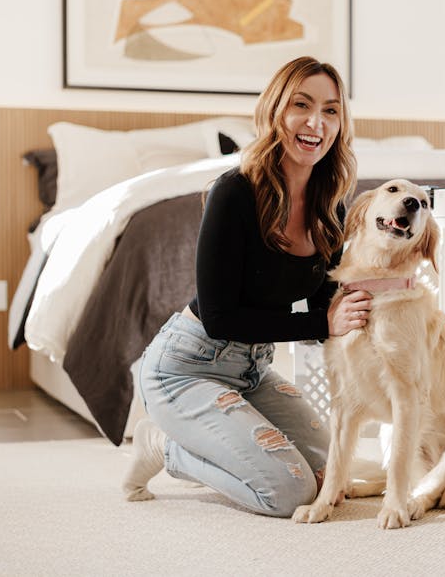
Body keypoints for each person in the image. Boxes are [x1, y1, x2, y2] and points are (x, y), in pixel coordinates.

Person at [121, 56, 370, 517]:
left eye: (331, 110)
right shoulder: (235, 191)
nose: (316, 122)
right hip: (187, 368)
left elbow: (330, 306)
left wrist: (421, 318)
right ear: (277, 110)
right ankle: (163, 446)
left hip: (252, 370)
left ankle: (213, 444)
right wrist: (325, 320)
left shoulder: (330, 202)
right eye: (302, 105)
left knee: (329, 471)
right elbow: (220, 318)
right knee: (286, 492)